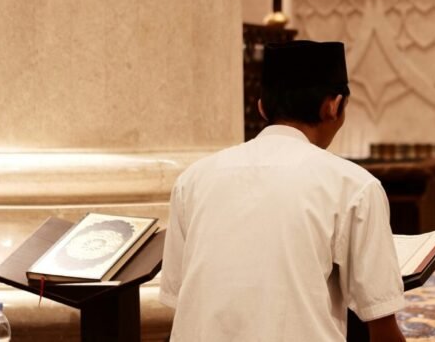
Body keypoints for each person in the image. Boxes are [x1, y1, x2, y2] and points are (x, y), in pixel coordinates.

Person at [159, 40, 406, 341]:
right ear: (334, 106)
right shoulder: (354, 186)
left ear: (262, 107)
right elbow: (381, 324)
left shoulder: (192, 180)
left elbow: (179, 298)